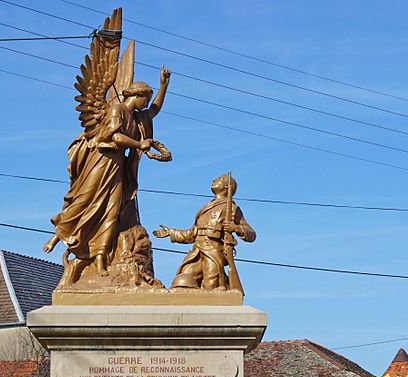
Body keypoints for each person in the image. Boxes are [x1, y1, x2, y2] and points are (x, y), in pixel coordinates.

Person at [44, 67, 171, 285]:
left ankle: (101, 255)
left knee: (112, 211)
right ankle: (60, 234)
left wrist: (164, 86)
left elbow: (155, 111)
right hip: (101, 162)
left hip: (118, 168)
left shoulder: (138, 118)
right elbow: (115, 136)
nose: (147, 104)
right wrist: (139, 143)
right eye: (145, 99)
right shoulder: (117, 109)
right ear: (136, 95)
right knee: (85, 201)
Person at [154, 174, 256, 291]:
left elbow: (251, 234)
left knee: (211, 287)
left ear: (228, 186)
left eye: (219, 179)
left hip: (213, 251)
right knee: (183, 280)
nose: (214, 180)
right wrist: (171, 232)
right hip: (197, 250)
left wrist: (236, 228)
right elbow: (193, 233)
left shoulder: (232, 208)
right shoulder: (205, 209)